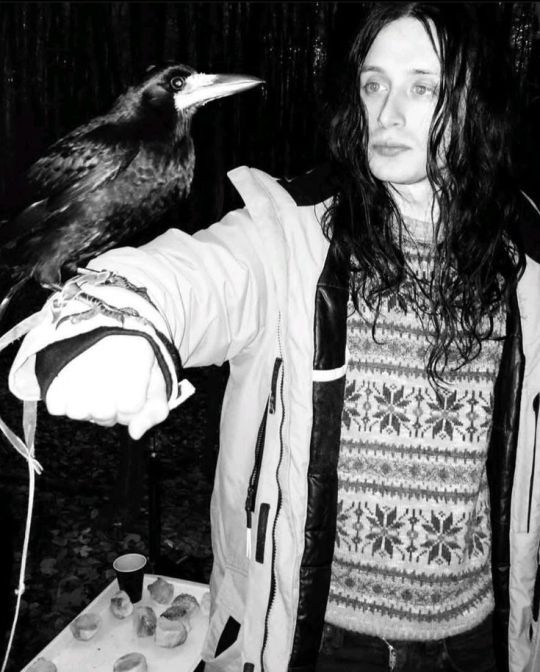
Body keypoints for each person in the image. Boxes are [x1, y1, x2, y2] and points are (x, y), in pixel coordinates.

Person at [7, 3, 540, 671]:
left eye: (422, 87)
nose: (387, 111)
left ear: (472, 103)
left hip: (480, 640)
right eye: (374, 84)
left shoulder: (527, 263)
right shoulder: (292, 234)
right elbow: (202, 276)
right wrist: (116, 314)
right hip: (314, 636)